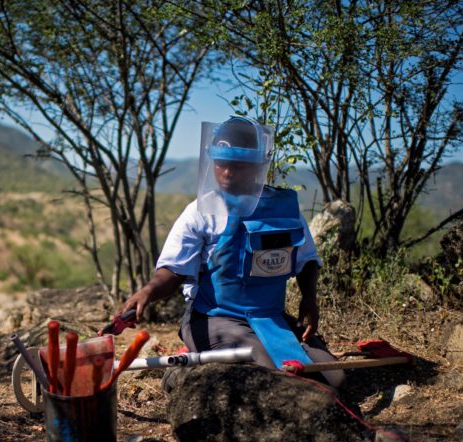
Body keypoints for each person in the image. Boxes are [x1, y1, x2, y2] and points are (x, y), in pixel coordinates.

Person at [118, 116, 344, 387]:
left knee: (333, 377)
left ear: (258, 166)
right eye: (220, 164)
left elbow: (307, 259)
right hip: (214, 316)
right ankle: (184, 372)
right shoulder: (200, 212)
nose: (226, 173)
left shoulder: (283, 208)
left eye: (237, 166)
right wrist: (148, 292)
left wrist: (309, 300)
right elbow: (175, 269)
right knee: (273, 375)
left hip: (269, 316)